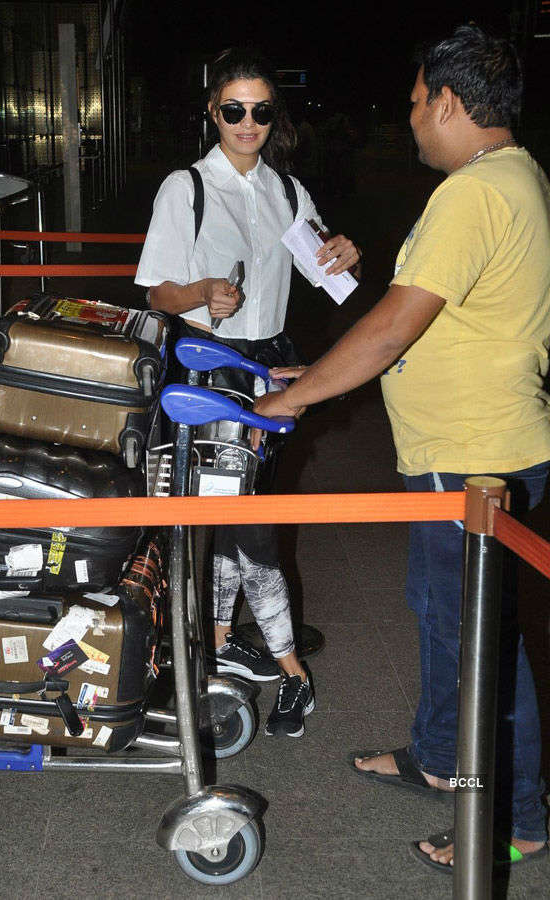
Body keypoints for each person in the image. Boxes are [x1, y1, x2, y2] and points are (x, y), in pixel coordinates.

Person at [254, 25, 550, 867]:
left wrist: (296, 397)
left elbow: (393, 326)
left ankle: (517, 820)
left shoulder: (473, 195)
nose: (413, 117)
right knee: (440, 617)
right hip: (459, 447)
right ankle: (438, 759)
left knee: (479, 640)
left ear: (451, 103)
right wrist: (324, 366)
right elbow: (443, 320)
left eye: (419, 102)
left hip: (476, 458)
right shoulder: (512, 176)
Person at [135, 47, 360, 737]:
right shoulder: (187, 188)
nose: (247, 122)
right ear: (212, 112)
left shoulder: (286, 191)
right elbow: (156, 289)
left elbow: (329, 276)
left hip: (271, 366)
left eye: (261, 110)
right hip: (208, 365)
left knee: (240, 512)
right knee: (238, 520)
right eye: (234, 109)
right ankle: (289, 668)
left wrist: (345, 257)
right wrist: (202, 292)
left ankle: (229, 634)